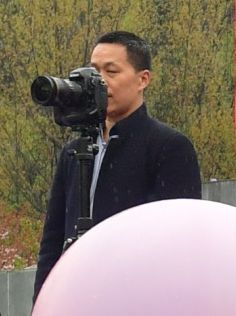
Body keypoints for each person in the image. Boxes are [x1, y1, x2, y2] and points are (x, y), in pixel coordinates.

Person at [35, 30, 201, 297]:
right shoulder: (72, 153)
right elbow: (52, 242)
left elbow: (179, 243)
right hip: (73, 298)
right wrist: (41, 308)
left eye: (111, 72)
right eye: (94, 71)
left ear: (142, 79)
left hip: (135, 301)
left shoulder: (168, 147)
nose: (99, 82)